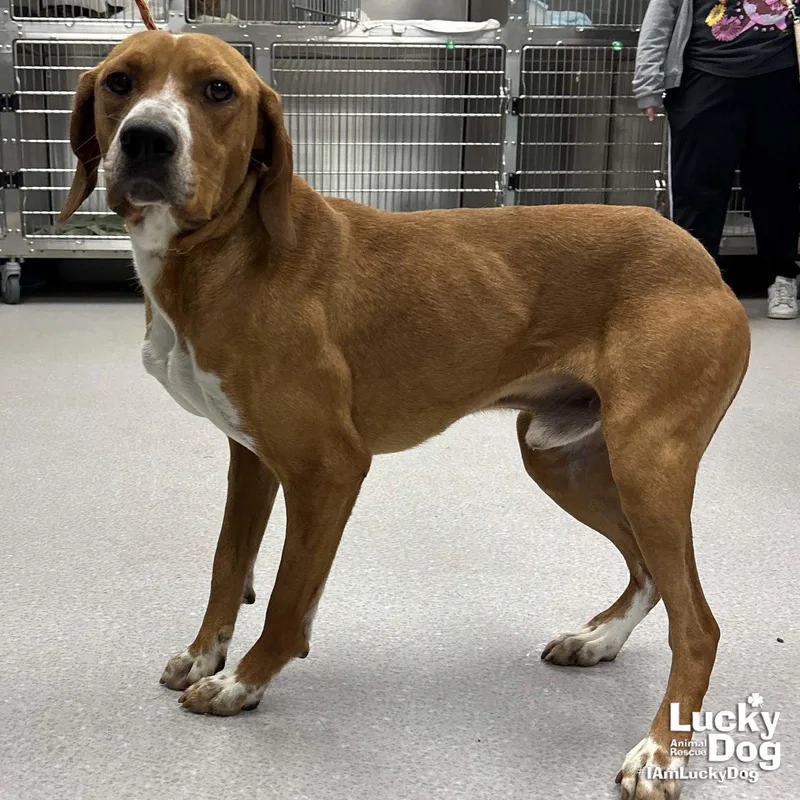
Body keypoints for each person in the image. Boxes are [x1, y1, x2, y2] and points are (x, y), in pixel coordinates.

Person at [634, 0, 800, 319]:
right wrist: (648, 84)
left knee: (778, 187)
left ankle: (782, 277)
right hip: (703, 75)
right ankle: (691, 284)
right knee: (695, 190)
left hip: (781, 78)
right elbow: (660, 18)